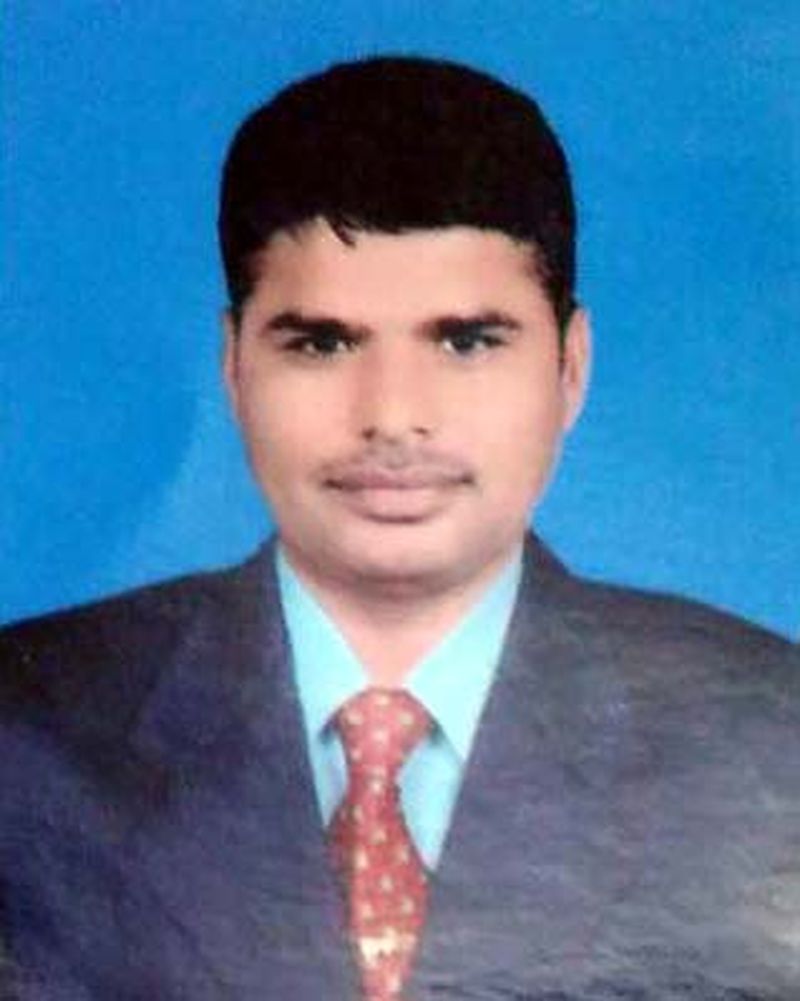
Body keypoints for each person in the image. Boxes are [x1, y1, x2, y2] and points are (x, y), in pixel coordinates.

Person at [0, 55, 797, 1001]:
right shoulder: (27, 733)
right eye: (321, 343)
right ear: (234, 366)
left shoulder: (770, 736)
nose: (392, 416)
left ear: (570, 367)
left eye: (466, 341)